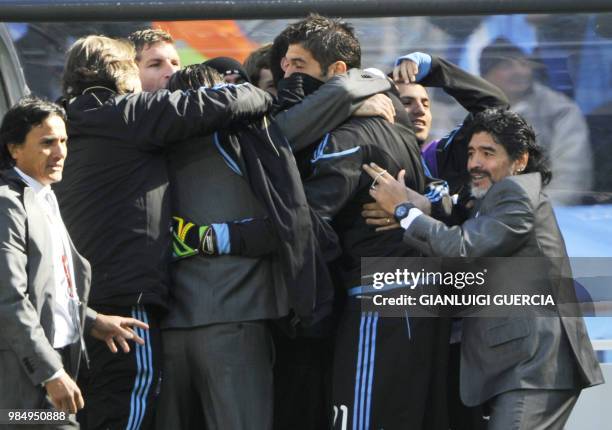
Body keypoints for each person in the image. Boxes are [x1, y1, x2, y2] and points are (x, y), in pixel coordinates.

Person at [54, 35, 273, 430]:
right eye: (154, 65)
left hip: (73, 304)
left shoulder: (61, 121)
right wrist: (257, 92)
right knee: (128, 411)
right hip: (126, 302)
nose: (171, 72)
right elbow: (228, 103)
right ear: (127, 72)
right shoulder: (129, 113)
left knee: (77, 412)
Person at [364, 108, 604, 430]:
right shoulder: (493, 200)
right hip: (520, 369)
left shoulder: (516, 193)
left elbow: (462, 248)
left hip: (533, 368)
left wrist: (403, 210)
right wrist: (425, 207)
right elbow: (470, 227)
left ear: (520, 160)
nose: (475, 162)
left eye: (488, 153)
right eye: (472, 152)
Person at [276, 14, 449, 430]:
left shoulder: (348, 138)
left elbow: (310, 222)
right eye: (284, 67)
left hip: (379, 297)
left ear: (338, 74)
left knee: (360, 419)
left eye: (298, 66)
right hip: (406, 298)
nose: (288, 77)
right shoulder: (400, 131)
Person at [0, 97, 148, 426]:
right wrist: (50, 371)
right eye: (47, 143)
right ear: (14, 149)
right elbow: (8, 299)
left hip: (52, 368)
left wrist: (91, 320)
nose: (60, 152)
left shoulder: (44, 195)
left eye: (64, 141)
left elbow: (50, 286)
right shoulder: (7, 204)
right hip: (22, 383)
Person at [479, 38, 592, 205]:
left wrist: (538, 213)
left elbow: (571, 175)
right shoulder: (464, 112)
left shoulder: (560, 109)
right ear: (486, 76)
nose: (520, 71)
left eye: (524, 64)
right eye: (506, 66)